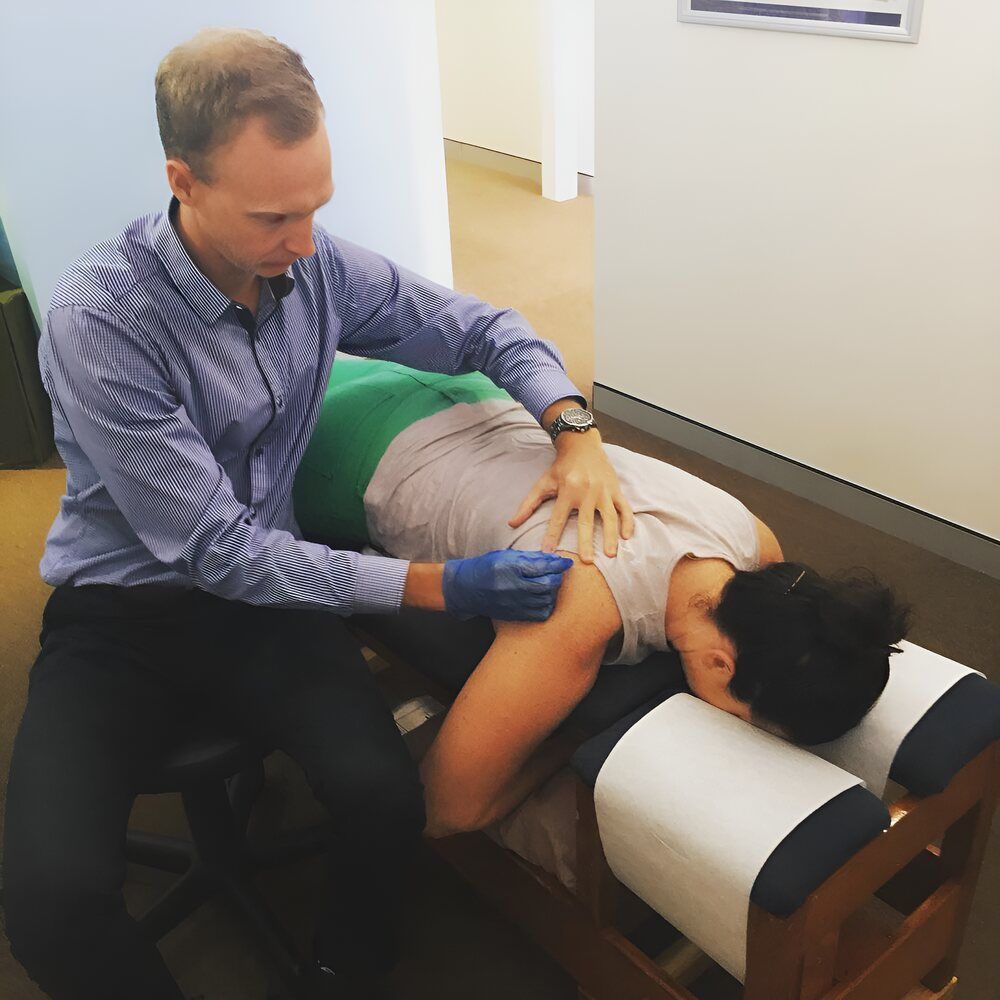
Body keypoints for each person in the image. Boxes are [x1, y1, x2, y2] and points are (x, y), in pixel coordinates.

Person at [2, 27, 633, 1000]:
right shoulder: (103, 320)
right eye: (271, 218)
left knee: (385, 797)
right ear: (185, 181)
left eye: (315, 209)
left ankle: (341, 970)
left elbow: (480, 326)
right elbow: (216, 549)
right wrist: (437, 585)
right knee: (48, 901)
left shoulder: (313, 264)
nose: (301, 245)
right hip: (123, 611)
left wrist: (573, 426)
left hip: (272, 599)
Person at [293, 357, 913, 837]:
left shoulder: (753, 539)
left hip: (471, 394)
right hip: (341, 453)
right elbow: (445, 808)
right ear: (723, 667)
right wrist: (571, 745)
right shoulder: (582, 607)